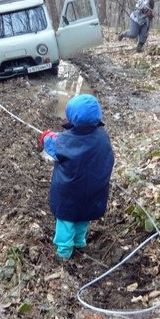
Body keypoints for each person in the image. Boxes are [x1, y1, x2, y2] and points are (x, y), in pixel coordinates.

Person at [40, 94, 114, 259]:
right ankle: (80, 242)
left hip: (69, 193)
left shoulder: (64, 140)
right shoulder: (103, 137)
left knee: (66, 221)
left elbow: (51, 144)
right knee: (83, 218)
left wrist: (45, 136)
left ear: (72, 118)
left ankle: (64, 252)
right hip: (93, 191)